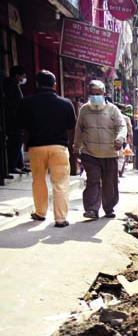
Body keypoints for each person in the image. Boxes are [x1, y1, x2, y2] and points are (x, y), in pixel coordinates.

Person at [15, 70, 76, 227]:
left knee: (38, 180)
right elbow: (71, 124)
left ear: (37, 84)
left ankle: (40, 213)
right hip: (59, 147)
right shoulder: (66, 103)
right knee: (61, 182)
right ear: (54, 84)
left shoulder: (26, 102)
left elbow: (20, 124)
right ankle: (60, 219)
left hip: (36, 146)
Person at [73, 80, 126, 219]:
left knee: (110, 182)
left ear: (104, 94)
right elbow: (79, 130)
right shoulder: (84, 110)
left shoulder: (113, 110)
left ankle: (109, 208)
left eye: (98, 93)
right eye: (92, 93)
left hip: (109, 153)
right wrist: (76, 147)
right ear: (88, 94)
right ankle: (91, 209)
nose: (95, 96)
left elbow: (122, 127)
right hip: (90, 153)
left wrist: (120, 139)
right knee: (93, 179)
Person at [3, 66, 28, 174]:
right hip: (13, 119)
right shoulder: (10, 86)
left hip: (16, 118)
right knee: (15, 141)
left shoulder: (14, 85)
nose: (24, 79)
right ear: (17, 76)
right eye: (23, 76)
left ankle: (20, 164)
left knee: (18, 142)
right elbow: (13, 105)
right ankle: (12, 165)